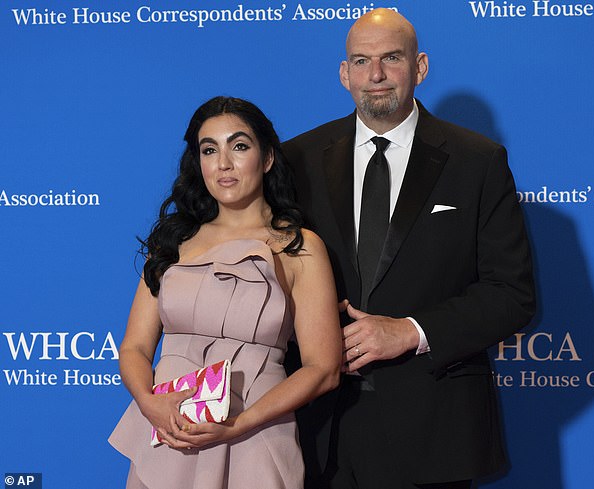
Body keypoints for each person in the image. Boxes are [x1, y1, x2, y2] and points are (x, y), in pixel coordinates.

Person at [282, 9, 536, 489]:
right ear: (344, 74)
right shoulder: (296, 160)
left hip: (434, 431)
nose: (374, 75)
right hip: (317, 430)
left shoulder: (478, 162)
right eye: (361, 61)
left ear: (419, 67)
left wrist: (412, 331)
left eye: (390, 58)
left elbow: (512, 293)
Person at [109, 96, 341, 489]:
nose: (223, 164)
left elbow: (324, 369)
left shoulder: (299, 247)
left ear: (267, 158)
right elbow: (134, 348)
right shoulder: (173, 240)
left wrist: (238, 425)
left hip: (256, 432)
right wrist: (150, 405)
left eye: (239, 146)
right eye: (209, 150)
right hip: (170, 434)